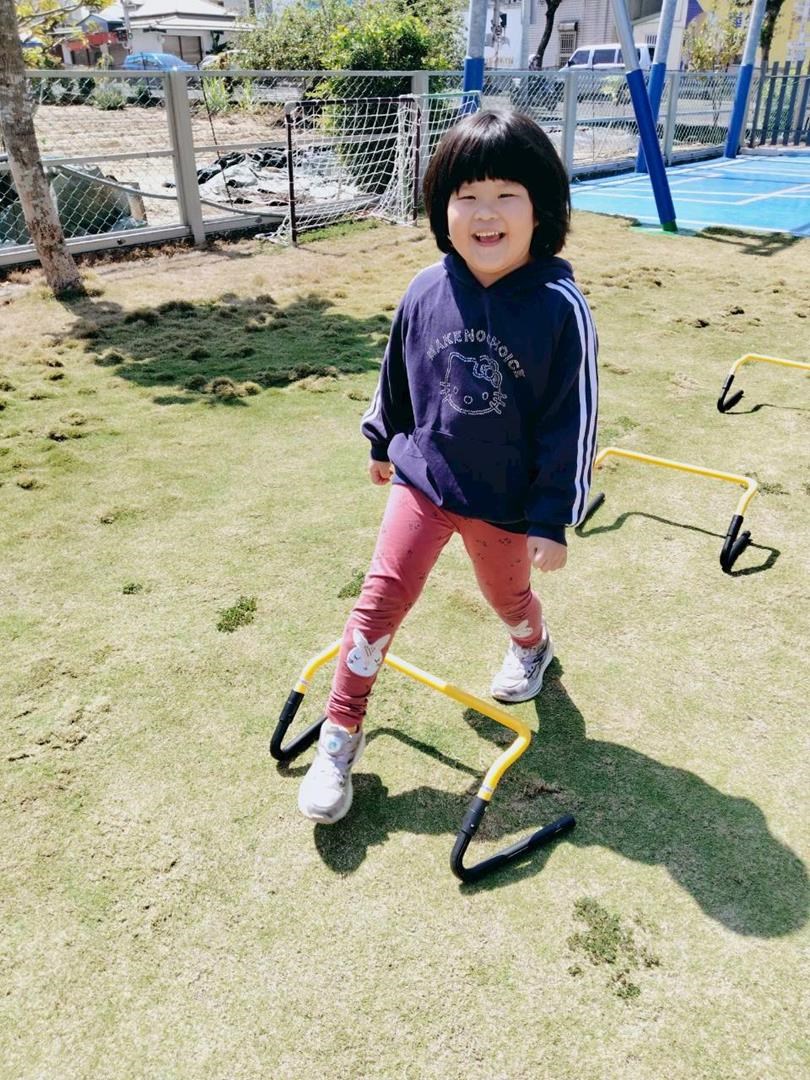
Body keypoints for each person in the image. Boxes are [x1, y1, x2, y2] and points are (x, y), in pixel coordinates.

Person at [298, 109, 598, 824]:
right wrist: (383, 440)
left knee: (508, 599)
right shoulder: (426, 287)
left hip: (506, 502)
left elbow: (572, 420)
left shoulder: (560, 307)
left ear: (541, 209)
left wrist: (552, 517)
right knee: (379, 601)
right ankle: (340, 731)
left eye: (506, 195)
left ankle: (532, 644)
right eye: (467, 196)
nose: (485, 214)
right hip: (424, 480)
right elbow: (397, 372)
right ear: (443, 209)